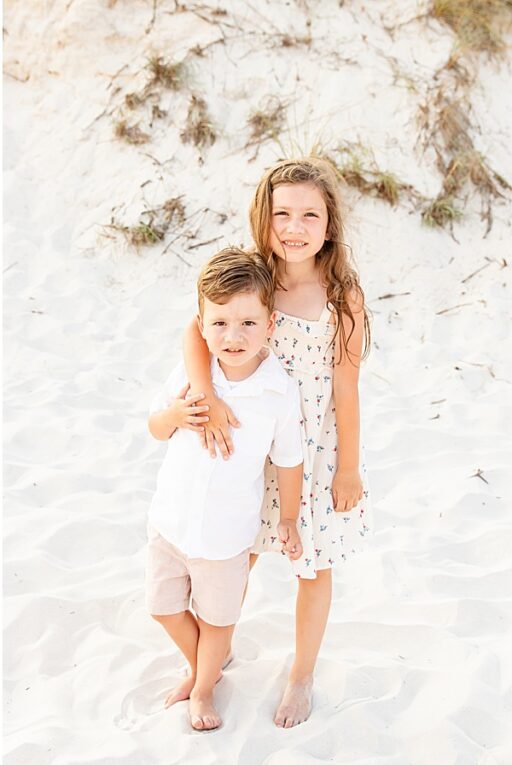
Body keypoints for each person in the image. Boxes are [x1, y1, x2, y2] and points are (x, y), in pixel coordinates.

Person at [182, 157, 372, 727]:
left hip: (313, 452)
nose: (294, 226)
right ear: (263, 219)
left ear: (329, 224)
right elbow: (195, 330)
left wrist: (349, 470)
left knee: (311, 567)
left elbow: (348, 387)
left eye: (309, 214)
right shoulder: (250, 276)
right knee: (237, 555)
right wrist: (203, 393)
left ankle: (301, 675)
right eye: (282, 213)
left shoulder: (343, 296)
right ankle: (210, 666)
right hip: (250, 442)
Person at [148, 247, 304, 731]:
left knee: (218, 621)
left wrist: (288, 519)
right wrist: (176, 416)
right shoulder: (193, 375)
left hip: (225, 534)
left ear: (270, 323)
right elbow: (155, 426)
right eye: (218, 324)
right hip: (170, 522)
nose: (232, 337)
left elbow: (289, 459)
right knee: (163, 609)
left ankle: (203, 686)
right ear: (201, 323)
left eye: (247, 324)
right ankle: (204, 665)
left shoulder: (278, 391)